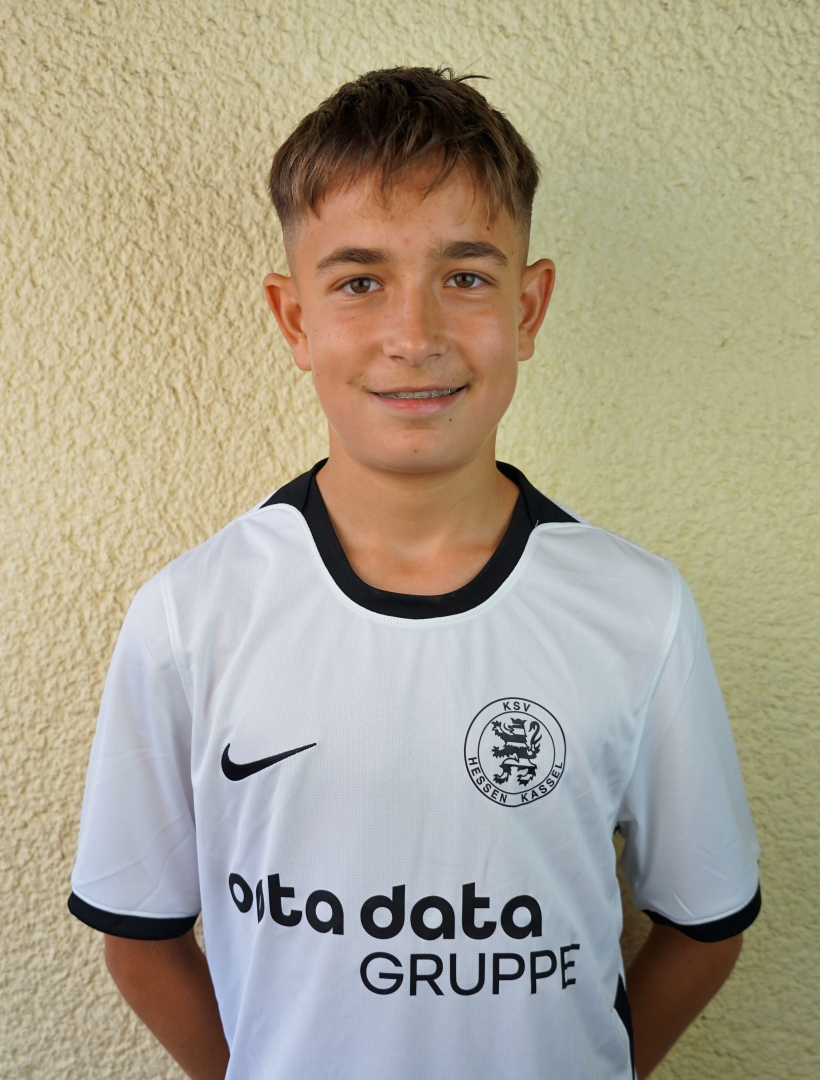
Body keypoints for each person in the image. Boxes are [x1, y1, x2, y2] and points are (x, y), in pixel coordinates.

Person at [68, 67, 760, 1080]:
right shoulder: (192, 615)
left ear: (529, 307)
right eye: (359, 282)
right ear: (294, 320)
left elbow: (704, 928)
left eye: (465, 278)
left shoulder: (636, 610)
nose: (414, 336)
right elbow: (140, 939)